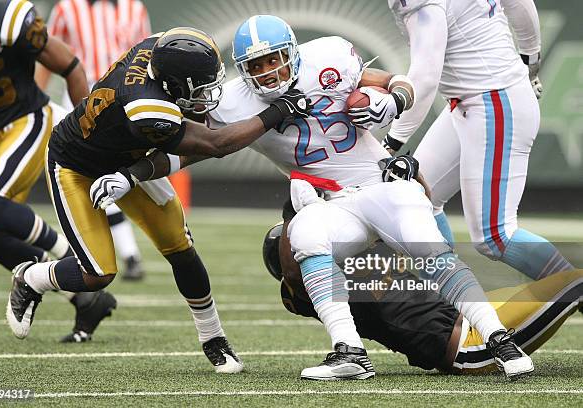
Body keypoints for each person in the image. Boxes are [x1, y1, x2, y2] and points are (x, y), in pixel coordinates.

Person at [174, 15, 533, 380]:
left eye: (273, 59)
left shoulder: (328, 58)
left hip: (380, 185)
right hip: (337, 203)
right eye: (256, 65)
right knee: (305, 231)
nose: (267, 72)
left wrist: (393, 100)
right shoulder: (234, 102)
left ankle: (499, 338)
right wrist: (133, 170)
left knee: (426, 246)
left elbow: (395, 82)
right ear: (243, 69)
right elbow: (197, 144)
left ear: (293, 54)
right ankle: (350, 352)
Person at [4, 27, 312, 373]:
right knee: (97, 273)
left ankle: (213, 338)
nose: (210, 90)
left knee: (180, 247)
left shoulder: (162, 49)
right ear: (174, 83)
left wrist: (130, 173)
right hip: (76, 164)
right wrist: (277, 112)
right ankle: (31, 278)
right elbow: (215, 145)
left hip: (124, 157)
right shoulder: (147, 107)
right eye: (201, 83)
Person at [383, 0, 573, 280]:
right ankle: (456, 305)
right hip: (478, 99)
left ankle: (575, 288)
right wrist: (530, 60)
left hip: (492, 102)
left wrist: (391, 142)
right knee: (416, 199)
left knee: (495, 235)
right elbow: (520, 4)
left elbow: (425, 78)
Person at [0, 0, 115, 343]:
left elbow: (72, 66)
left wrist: (88, 138)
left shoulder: (8, 18)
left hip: (29, 119)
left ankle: (69, 252)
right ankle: (84, 297)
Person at [262, 221, 582, 374]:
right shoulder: (303, 289)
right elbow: (293, 272)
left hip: (468, 313)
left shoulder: (344, 250)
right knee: (577, 281)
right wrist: (299, 211)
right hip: (465, 344)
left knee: (568, 280)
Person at [35, 0, 153, 281]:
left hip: (124, 99)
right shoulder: (67, 8)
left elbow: (148, 56)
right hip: (80, 102)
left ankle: (122, 253)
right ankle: (128, 254)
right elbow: (48, 54)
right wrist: (35, 98)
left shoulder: (134, 8)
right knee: (89, 174)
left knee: (115, 174)